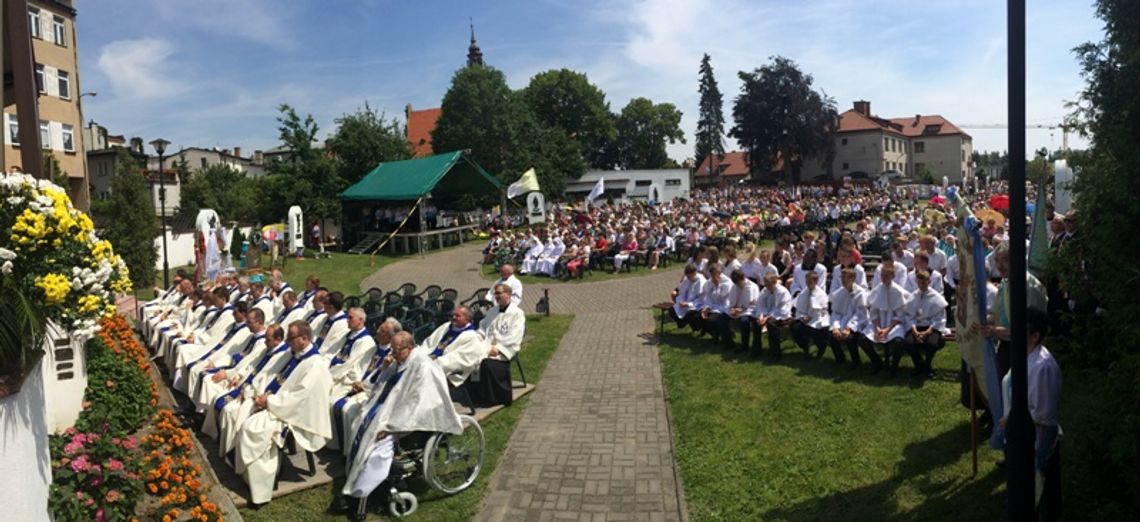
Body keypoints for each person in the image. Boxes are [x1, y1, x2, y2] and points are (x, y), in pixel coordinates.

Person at [331, 331, 462, 520]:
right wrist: (384, 369)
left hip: (406, 420)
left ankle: (360, 498)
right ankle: (354, 481)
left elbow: (417, 403)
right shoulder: (399, 362)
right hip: (385, 410)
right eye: (391, 349)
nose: (392, 353)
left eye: (396, 349)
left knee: (376, 445)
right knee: (357, 423)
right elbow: (378, 387)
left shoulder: (423, 366)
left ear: (408, 348)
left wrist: (393, 426)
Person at [234, 321, 333, 506]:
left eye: (290, 338)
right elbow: (273, 376)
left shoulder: (315, 365)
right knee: (240, 412)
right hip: (276, 403)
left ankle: (261, 490)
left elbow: (300, 398)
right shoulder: (293, 354)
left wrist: (269, 402)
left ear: (304, 339)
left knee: (252, 428)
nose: (287, 342)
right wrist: (258, 394)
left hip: (293, 413)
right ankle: (248, 475)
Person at [997, 310, 1062, 521]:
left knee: (1038, 496)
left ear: (1035, 336)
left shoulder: (1042, 366)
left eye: (1020, 330)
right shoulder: (1025, 356)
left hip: (1036, 444)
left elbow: (1044, 414)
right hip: (1020, 441)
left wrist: (1013, 421)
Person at [331, 318, 401, 452]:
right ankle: (337, 445)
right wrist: (356, 381)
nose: (378, 331)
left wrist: (364, 386)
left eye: (382, 331)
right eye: (380, 328)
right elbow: (359, 367)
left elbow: (381, 379)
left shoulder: (391, 356)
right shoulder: (374, 348)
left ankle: (348, 450)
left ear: (390, 336)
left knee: (347, 410)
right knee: (332, 401)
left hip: (370, 392)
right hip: (357, 385)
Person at [187, 307, 267, 406]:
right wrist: (216, 364)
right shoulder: (252, 336)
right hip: (232, 368)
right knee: (203, 372)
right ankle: (196, 407)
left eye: (249, 322)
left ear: (259, 322)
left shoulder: (263, 343)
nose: (246, 324)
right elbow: (235, 354)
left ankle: (201, 413)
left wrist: (228, 374)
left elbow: (247, 365)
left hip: (238, 376)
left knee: (208, 380)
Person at [467, 283, 525, 407]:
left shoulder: (517, 313)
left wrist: (498, 349)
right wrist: (477, 337)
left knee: (487, 364)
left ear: (508, 294)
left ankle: (493, 398)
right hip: (487, 346)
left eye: (499, 293)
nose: (496, 296)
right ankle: (476, 395)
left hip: (504, 351)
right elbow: (483, 327)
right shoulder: (493, 310)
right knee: (470, 358)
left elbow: (515, 336)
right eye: (495, 293)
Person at [862, 263, 910, 375]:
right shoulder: (877, 290)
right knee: (863, 339)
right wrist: (877, 328)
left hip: (894, 324)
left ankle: (893, 366)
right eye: (882, 275)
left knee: (898, 341)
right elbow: (873, 312)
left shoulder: (898, 292)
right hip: (879, 323)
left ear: (893, 276)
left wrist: (887, 329)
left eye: (886, 276)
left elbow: (900, 315)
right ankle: (876, 361)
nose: (883, 278)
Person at [421, 306, 483, 387]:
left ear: (467, 319)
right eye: (453, 315)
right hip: (430, 359)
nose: (453, 317)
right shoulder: (446, 326)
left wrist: (433, 363)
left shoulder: (471, 337)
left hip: (445, 369)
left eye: (457, 316)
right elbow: (429, 342)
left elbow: (457, 359)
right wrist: (421, 356)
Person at [903, 270, 949, 378]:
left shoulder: (937, 298)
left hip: (931, 327)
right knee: (908, 343)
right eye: (919, 283)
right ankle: (918, 364)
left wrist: (928, 332)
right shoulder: (913, 296)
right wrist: (914, 330)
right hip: (916, 326)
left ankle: (927, 365)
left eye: (924, 283)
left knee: (932, 344)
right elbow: (909, 316)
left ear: (929, 281)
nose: (921, 285)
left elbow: (940, 318)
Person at [828, 268, 869, 366]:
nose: (843, 280)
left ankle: (856, 361)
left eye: (846, 278)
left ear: (853, 278)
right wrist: (835, 327)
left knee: (850, 338)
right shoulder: (839, 293)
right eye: (842, 278)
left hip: (859, 323)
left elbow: (860, 314)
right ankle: (840, 358)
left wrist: (849, 328)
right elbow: (836, 312)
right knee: (831, 336)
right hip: (842, 322)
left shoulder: (860, 293)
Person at [749, 273, 793, 359]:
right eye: (766, 284)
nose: (767, 287)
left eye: (769, 284)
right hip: (768, 315)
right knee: (756, 323)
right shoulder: (765, 290)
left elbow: (782, 310)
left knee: (771, 324)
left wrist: (767, 317)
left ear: (775, 282)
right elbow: (760, 304)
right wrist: (761, 316)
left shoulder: (782, 292)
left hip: (783, 316)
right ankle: (756, 349)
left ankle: (775, 353)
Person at [791, 271, 831, 359]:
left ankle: (821, 348)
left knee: (814, 331)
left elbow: (821, 310)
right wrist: (802, 317)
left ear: (816, 282)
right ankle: (805, 348)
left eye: (810, 282)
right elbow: (799, 308)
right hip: (805, 318)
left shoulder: (821, 294)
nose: (808, 284)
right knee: (795, 328)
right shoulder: (804, 292)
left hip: (817, 318)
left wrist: (811, 317)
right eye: (807, 281)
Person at [726, 271, 760, 352]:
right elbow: (731, 300)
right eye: (736, 283)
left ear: (743, 278)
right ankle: (728, 342)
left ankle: (744, 345)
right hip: (736, 310)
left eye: (739, 283)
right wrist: (732, 309)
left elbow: (751, 305)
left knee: (744, 321)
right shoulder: (735, 286)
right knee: (721, 318)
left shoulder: (751, 287)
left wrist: (740, 310)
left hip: (749, 311)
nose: (738, 285)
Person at [671, 265, 706, 331]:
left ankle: (688, 325)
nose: (688, 278)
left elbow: (701, 299)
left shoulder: (701, 282)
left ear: (694, 273)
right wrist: (680, 300)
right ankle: (681, 323)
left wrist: (688, 304)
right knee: (672, 309)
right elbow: (681, 290)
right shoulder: (688, 279)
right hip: (685, 302)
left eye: (690, 276)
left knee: (689, 315)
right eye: (687, 276)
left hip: (696, 305)